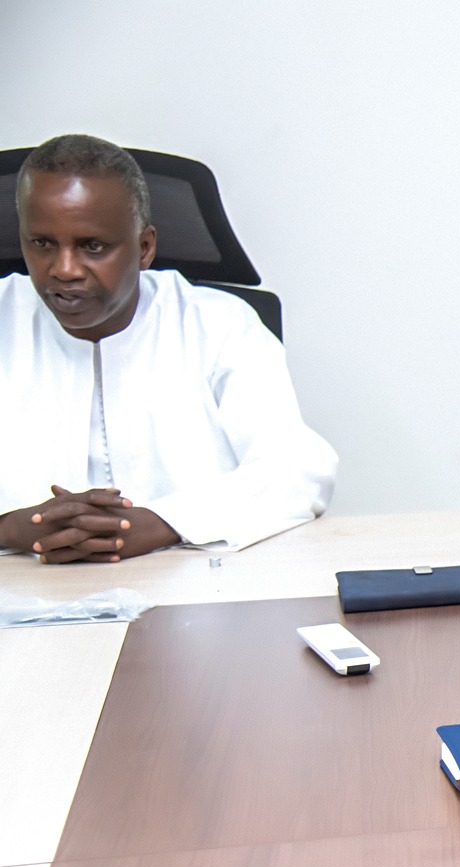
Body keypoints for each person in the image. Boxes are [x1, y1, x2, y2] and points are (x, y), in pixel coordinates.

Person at [0, 134, 336, 560]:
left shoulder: (216, 324)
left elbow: (299, 470)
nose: (64, 269)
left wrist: (164, 522)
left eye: (92, 246)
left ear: (144, 247)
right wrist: (10, 527)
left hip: (193, 595)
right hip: (21, 605)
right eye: (42, 243)